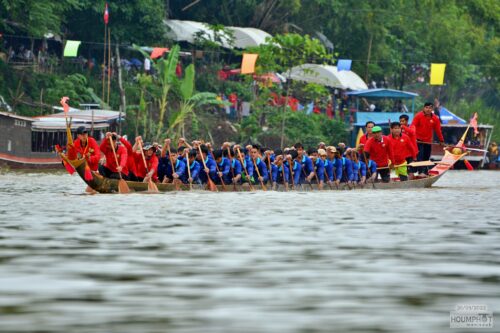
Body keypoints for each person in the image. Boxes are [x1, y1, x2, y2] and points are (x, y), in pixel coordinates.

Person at [411, 102, 444, 175]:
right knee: (420, 156)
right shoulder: (418, 116)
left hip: (428, 141)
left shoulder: (435, 118)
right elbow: (412, 126)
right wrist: (412, 137)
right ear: (423, 108)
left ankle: (425, 172)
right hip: (418, 141)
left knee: (426, 157)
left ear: (432, 109)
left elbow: (438, 130)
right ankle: (421, 172)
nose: (428, 109)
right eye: (426, 107)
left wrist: (441, 140)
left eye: (430, 108)